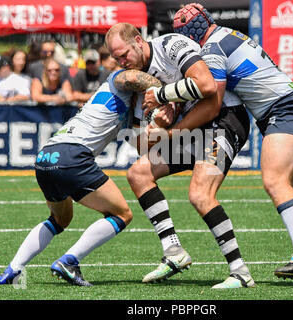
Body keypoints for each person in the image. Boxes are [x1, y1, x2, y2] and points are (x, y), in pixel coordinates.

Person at [173, 3, 293, 285]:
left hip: (285, 109)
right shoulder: (229, 34)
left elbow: (213, 101)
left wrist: (175, 119)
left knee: (274, 181)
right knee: (292, 191)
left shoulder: (212, 49)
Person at [106, 23, 255, 289]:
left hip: (224, 119)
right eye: (116, 59)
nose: (121, 62)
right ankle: (174, 252)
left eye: (124, 54)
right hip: (191, 130)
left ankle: (240, 272)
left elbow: (209, 90)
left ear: (139, 41)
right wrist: (158, 127)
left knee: (200, 194)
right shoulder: (138, 78)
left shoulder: (171, 45)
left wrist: (170, 119)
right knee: (138, 173)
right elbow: (142, 144)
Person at [0, 67, 166, 286]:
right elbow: (132, 76)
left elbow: (140, 145)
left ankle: (13, 269)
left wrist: (155, 124)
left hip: (46, 156)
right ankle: (69, 261)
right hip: (73, 156)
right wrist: (165, 94)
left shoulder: (115, 102)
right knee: (122, 214)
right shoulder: (117, 82)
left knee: (60, 219)